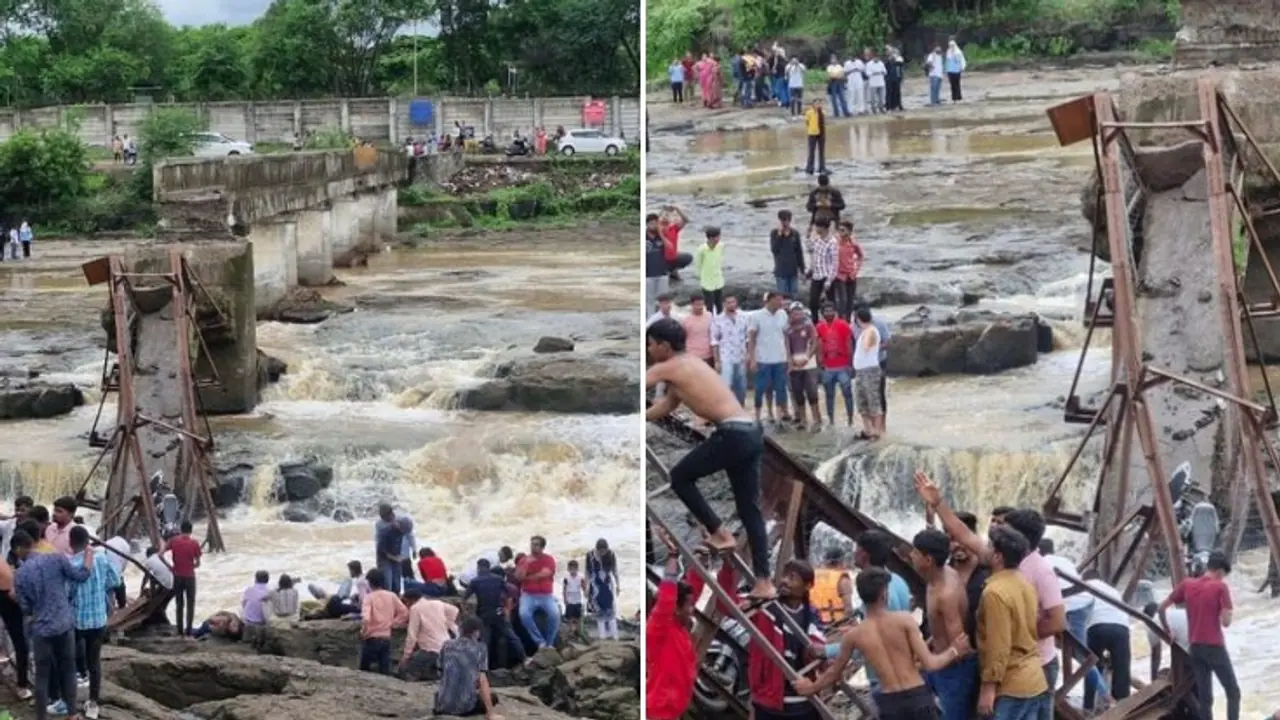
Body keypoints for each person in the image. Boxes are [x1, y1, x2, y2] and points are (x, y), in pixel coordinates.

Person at [646, 318, 773, 598]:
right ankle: (764, 582)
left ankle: (720, 532)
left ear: (664, 346)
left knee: (680, 477)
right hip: (751, 431)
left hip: (732, 435)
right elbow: (665, 406)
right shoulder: (690, 365)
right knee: (749, 510)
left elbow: (639, 385)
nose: (649, 350)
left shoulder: (668, 366)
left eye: (651, 344)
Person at [913, 474, 1067, 688]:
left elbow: (1058, 621)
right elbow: (963, 534)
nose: (996, 530)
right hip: (1004, 662)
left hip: (1037, 663)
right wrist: (937, 503)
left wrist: (1015, 635)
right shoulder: (1000, 558)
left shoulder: (1041, 571)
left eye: (1005, 528)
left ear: (1020, 537)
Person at [797, 568, 969, 720]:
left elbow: (834, 673)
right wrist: (955, 650)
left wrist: (811, 688)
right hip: (918, 698)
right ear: (884, 594)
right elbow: (930, 664)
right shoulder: (904, 621)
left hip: (889, 704)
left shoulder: (854, 635)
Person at [12, 529, 94, 720]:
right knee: (68, 668)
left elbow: (25, 607)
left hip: (41, 628)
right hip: (64, 624)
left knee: (42, 676)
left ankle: (41, 717)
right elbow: (80, 576)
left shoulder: (20, 573)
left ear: (19, 549)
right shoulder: (56, 559)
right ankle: (72, 714)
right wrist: (88, 558)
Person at [977, 526, 1052, 718]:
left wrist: (988, 688)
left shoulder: (994, 593)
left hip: (1011, 685)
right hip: (1034, 678)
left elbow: (998, 645)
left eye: (988, 546)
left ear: (997, 556)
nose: (983, 550)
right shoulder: (1024, 583)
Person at [1159, 550, 1239, 720]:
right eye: (1223, 575)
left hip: (1195, 647)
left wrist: (1168, 630)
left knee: (1205, 698)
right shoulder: (1220, 587)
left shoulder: (1187, 584)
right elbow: (1226, 622)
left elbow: (1162, 608)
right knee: (1233, 692)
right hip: (1214, 647)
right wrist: (1227, 611)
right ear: (1220, 571)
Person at [911, 528, 979, 720]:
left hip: (953, 670)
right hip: (938, 661)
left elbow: (961, 646)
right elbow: (940, 624)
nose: (911, 556)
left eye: (915, 553)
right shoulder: (942, 574)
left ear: (928, 560)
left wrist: (932, 662)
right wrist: (930, 643)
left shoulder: (945, 594)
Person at [1041, 538, 1109, 705]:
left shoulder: (1042, 563)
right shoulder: (1063, 560)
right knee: (1073, 648)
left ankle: (1106, 696)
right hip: (1085, 603)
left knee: (1082, 657)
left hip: (1073, 606)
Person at [70, 526, 119, 720]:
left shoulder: (70, 563)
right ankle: (93, 703)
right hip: (98, 618)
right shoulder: (101, 558)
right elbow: (115, 580)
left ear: (71, 543)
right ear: (87, 541)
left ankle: (69, 699)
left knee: (71, 658)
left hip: (76, 620)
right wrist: (99, 588)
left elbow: (68, 592)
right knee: (94, 662)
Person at [433, 615, 502, 719]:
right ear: (476, 631)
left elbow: (440, 672)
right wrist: (490, 713)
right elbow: (482, 680)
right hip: (465, 707)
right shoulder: (480, 648)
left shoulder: (447, 645)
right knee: (494, 698)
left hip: (442, 705)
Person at [1080, 569, 1130, 710]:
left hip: (1097, 626)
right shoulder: (1113, 591)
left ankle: (1088, 706)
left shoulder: (1084, 587)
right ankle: (1122, 705)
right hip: (1121, 627)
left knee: (1091, 665)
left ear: (1084, 579)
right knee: (1122, 666)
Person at [464, 558, 525, 668]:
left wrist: (466, 613)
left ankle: (483, 667)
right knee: (511, 636)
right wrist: (506, 609)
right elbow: (508, 594)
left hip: (484, 614)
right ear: (488, 568)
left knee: (485, 641)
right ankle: (525, 658)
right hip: (498, 612)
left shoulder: (475, 581)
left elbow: (465, 598)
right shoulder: (498, 579)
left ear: (478, 568)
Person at [748, 292, 792, 424]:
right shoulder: (756, 316)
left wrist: (788, 357)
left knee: (780, 388)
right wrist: (752, 358)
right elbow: (751, 339)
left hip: (780, 358)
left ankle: (779, 417)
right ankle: (758, 416)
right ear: (770, 300)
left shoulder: (783, 314)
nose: (781, 303)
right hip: (763, 359)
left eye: (781, 300)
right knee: (761, 388)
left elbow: (785, 337)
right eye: (778, 300)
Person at [402, 587, 460, 675]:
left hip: (430, 650)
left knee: (408, 670)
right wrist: (448, 623)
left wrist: (405, 657)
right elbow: (455, 610)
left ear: (411, 600)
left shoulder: (415, 609)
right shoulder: (437, 603)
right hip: (447, 646)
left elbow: (412, 635)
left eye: (406, 602)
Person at [360, 568, 408, 675]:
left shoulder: (369, 598)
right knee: (384, 668)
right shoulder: (391, 596)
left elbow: (366, 619)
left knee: (364, 669)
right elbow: (404, 612)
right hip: (386, 636)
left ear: (369, 582)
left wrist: (364, 632)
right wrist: (394, 623)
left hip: (371, 638)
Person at [515, 535, 559, 650]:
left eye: (536, 545)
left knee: (555, 614)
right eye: (532, 544)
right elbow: (519, 577)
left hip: (546, 595)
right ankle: (540, 642)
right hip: (528, 595)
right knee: (524, 614)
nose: (533, 547)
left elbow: (546, 573)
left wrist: (529, 577)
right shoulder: (524, 560)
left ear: (542, 547)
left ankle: (549, 644)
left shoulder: (549, 559)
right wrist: (526, 565)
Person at [815, 303, 855, 427]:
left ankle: (850, 419)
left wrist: (851, 363)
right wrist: (819, 362)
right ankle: (831, 420)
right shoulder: (819, 327)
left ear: (835, 312)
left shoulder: (843, 324)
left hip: (843, 365)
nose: (828, 313)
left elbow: (849, 342)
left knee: (847, 394)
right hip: (827, 367)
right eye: (826, 311)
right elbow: (818, 345)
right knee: (829, 395)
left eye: (831, 310)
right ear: (822, 313)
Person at [785, 303, 821, 430]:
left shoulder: (809, 325)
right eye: (794, 313)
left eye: (799, 312)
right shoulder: (787, 329)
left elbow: (815, 342)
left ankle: (817, 419)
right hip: (795, 365)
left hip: (809, 363)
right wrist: (790, 363)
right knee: (797, 392)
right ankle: (803, 419)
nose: (797, 315)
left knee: (812, 392)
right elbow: (787, 347)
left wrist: (807, 357)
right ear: (790, 315)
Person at [852, 307, 885, 439]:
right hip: (860, 371)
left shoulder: (871, 331)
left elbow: (867, 346)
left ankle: (876, 431)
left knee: (873, 400)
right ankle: (868, 429)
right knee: (862, 401)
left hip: (870, 370)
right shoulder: (865, 331)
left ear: (858, 319)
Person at [710, 295, 750, 405]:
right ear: (723, 304)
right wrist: (717, 361)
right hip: (726, 357)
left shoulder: (743, 317)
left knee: (741, 386)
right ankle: (725, 410)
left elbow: (748, 338)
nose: (732, 304)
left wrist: (749, 354)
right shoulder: (717, 319)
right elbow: (714, 341)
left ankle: (740, 409)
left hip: (741, 356)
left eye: (733, 302)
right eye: (729, 302)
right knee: (725, 385)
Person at [165, 520, 201, 637]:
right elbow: (198, 562)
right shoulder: (194, 543)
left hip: (177, 576)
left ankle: (180, 630)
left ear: (181, 529)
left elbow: (160, 554)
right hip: (190, 576)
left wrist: (170, 567)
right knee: (191, 604)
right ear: (191, 530)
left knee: (179, 603)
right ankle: (189, 630)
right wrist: (193, 566)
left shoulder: (173, 541)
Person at [804, 219, 837, 324]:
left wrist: (829, 280)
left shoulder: (832, 242)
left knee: (830, 302)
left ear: (824, 228)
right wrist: (807, 236)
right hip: (816, 275)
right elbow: (810, 249)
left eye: (818, 227)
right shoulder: (817, 239)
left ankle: (831, 323)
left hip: (826, 275)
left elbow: (834, 263)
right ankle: (815, 323)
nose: (816, 229)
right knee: (813, 302)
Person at [811, 546, 853, 625]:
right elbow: (849, 609)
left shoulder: (812, 575)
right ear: (841, 561)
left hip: (813, 624)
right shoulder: (843, 579)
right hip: (835, 627)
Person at [586, 540, 619, 641]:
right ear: (597, 549)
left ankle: (614, 635)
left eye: (604, 551)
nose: (602, 553)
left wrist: (618, 585)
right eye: (600, 551)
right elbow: (587, 571)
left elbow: (615, 571)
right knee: (598, 610)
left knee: (610, 609)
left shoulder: (611, 554)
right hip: (595, 585)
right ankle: (602, 635)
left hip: (607, 585)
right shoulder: (590, 555)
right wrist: (587, 586)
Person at [374, 504, 409, 594]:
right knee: (387, 583)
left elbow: (408, 536)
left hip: (395, 556)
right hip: (384, 557)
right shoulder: (383, 529)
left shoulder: (402, 524)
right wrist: (394, 558)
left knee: (397, 584)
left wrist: (403, 556)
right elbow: (381, 550)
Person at [832, 221, 863, 320]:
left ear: (849, 232)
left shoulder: (853, 243)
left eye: (843, 230)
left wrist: (856, 270)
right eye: (839, 230)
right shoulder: (835, 242)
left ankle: (848, 321)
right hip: (839, 275)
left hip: (851, 274)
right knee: (843, 300)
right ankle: (841, 321)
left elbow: (861, 256)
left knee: (850, 301)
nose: (840, 232)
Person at [770, 210, 806, 297]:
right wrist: (779, 235)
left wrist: (802, 270)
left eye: (787, 220)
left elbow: (799, 252)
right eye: (783, 220)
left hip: (793, 270)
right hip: (781, 270)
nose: (785, 223)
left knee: (794, 295)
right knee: (782, 296)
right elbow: (774, 249)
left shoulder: (795, 234)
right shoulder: (774, 233)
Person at [693, 227, 726, 314]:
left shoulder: (721, 246)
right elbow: (698, 264)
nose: (718, 239)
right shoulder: (702, 249)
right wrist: (701, 277)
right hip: (707, 281)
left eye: (719, 237)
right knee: (709, 305)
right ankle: (709, 322)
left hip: (718, 280)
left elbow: (720, 259)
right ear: (710, 238)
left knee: (719, 304)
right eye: (716, 237)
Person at [681, 295, 715, 368]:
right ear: (692, 305)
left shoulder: (709, 316)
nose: (700, 307)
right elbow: (682, 338)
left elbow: (713, 334)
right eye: (697, 305)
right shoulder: (685, 320)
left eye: (702, 304)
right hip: (692, 355)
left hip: (708, 355)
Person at [645, 213, 669, 308]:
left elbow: (669, 247)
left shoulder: (662, 236)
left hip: (662, 273)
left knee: (664, 300)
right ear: (647, 224)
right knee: (649, 300)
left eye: (656, 223)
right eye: (651, 223)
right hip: (648, 275)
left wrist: (661, 234)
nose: (654, 226)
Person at [562, 560, 587, 641]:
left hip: (578, 599)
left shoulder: (580, 577)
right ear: (568, 569)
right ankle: (571, 632)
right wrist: (565, 599)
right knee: (570, 618)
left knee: (577, 617)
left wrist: (586, 593)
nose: (572, 571)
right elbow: (564, 588)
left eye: (574, 569)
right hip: (569, 599)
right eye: (571, 569)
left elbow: (584, 587)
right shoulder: (566, 577)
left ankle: (577, 632)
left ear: (577, 569)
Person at [803, 99, 827, 176]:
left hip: (821, 134)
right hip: (812, 133)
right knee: (811, 152)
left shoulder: (822, 112)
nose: (818, 105)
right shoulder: (809, 113)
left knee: (822, 152)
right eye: (816, 104)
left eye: (819, 104)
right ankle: (810, 167)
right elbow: (807, 122)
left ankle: (822, 167)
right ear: (813, 105)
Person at [865, 49, 887, 114]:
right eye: (875, 58)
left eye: (877, 58)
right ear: (873, 57)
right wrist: (875, 73)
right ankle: (873, 109)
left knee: (881, 97)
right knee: (873, 98)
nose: (876, 59)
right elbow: (868, 73)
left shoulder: (881, 63)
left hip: (881, 82)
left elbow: (885, 72)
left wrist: (880, 72)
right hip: (873, 83)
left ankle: (881, 108)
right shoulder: (869, 64)